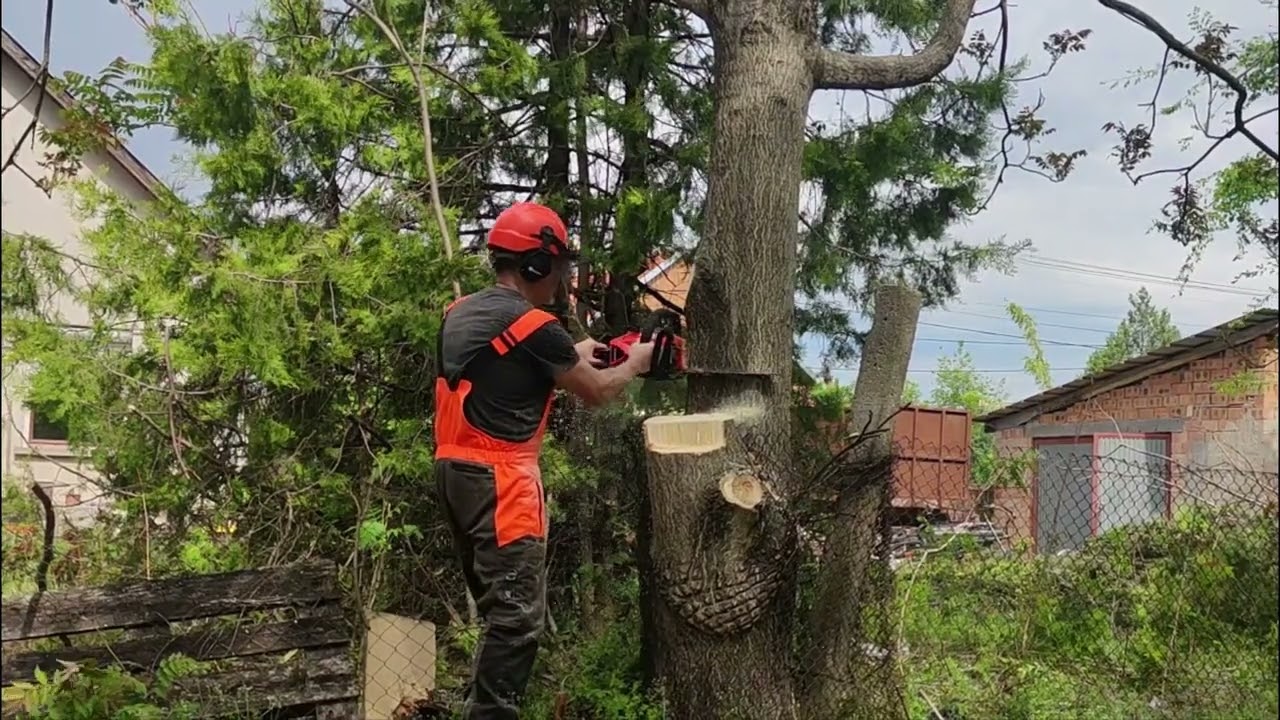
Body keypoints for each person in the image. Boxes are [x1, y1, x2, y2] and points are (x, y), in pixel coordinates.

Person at [433, 201, 655, 719]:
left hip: (455, 470)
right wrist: (638, 362)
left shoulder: (461, 311)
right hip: (500, 478)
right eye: (557, 265)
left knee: (498, 612)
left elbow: (516, 360)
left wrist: (589, 349)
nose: (561, 277)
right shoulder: (534, 325)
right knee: (516, 620)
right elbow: (598, 392)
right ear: (536, 264)